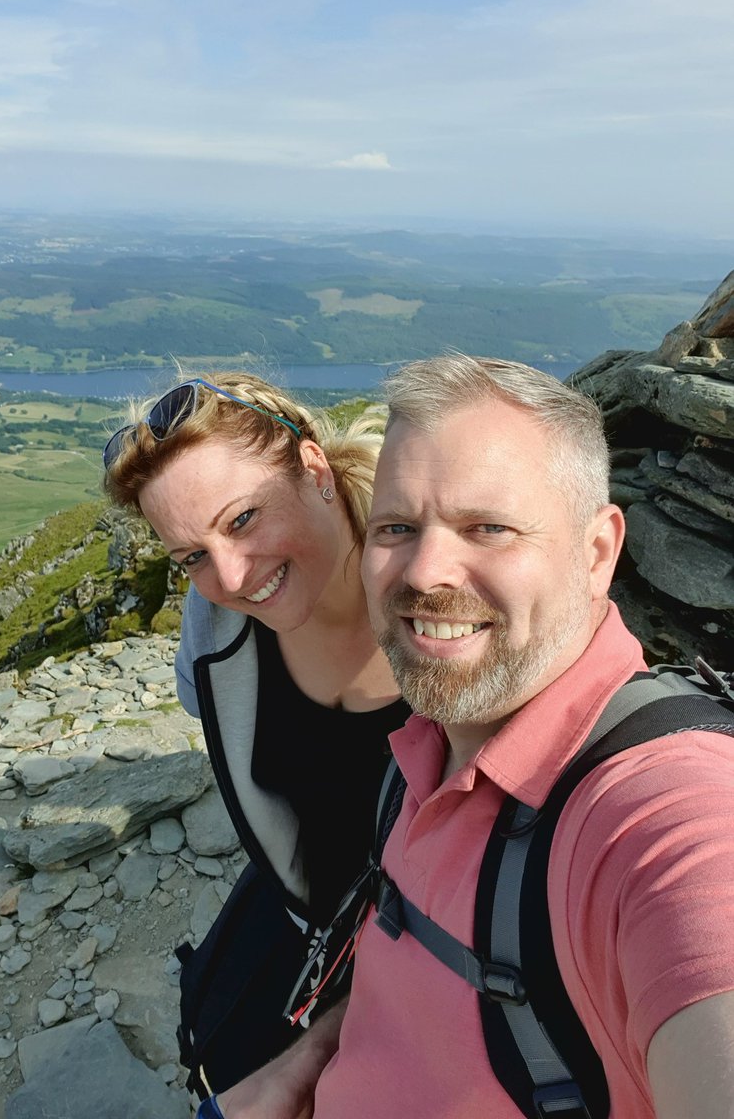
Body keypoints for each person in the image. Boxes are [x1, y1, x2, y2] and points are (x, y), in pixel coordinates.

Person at [215, 354, 734, 1119]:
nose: (426, 571)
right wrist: (310, 1061)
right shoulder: (423, 747)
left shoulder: (662, 815)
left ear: (597, 553)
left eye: (487, 528)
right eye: (397, 527)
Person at [102, 372, 409, 1093]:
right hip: (305, 906)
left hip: (442, 938)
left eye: (243, 519)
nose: (232, 577)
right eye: (192, 557)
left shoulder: (445, 608)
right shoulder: (215, 635)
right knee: (219, 1054)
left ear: (313, 471)